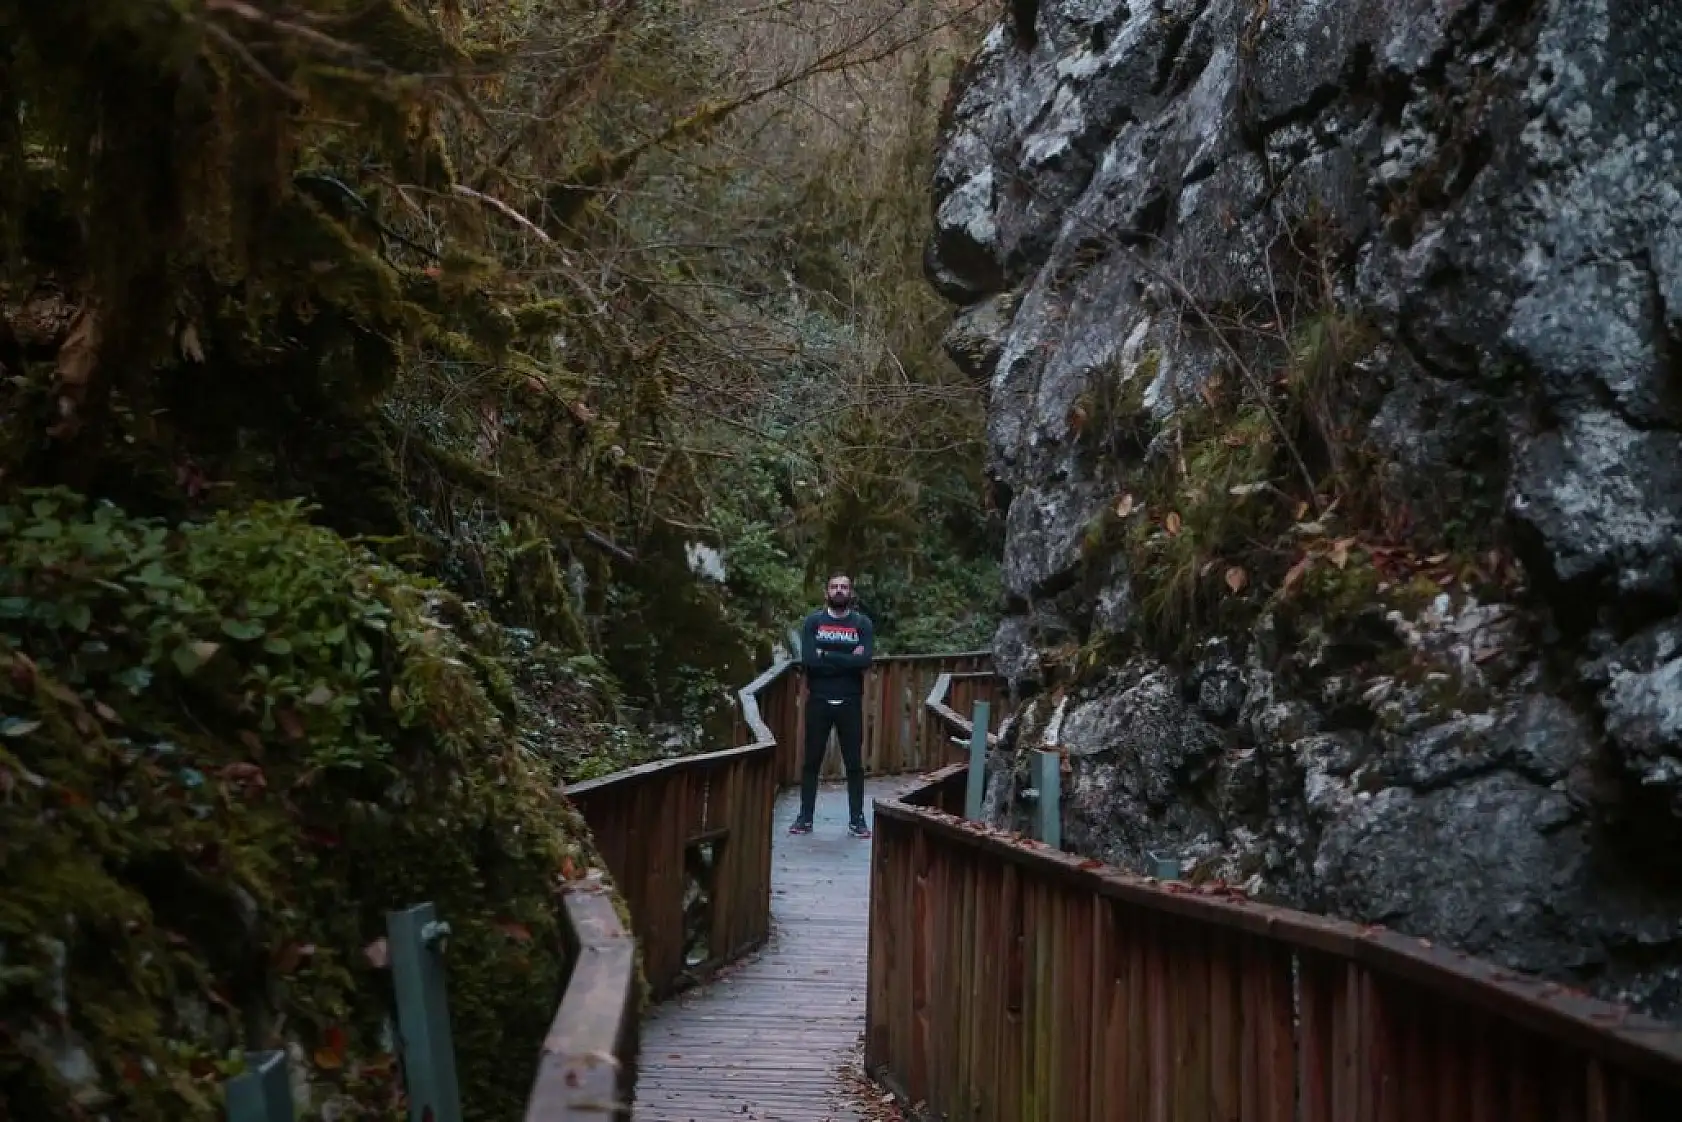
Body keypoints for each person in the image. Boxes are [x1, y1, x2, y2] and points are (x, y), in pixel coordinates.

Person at [789, 571, 875, 838]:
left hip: (850, 700)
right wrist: (846, 657)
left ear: (851, 593)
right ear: (826, 592)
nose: (839, 590)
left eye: (844, 587)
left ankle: (857, 819)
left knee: (854, 763)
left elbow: (864, 661)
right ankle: (805, 817)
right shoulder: (814, 622)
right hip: (819, 699)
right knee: (811, 760)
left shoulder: (862, 624)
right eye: (834, 587)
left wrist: (827, 654)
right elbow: (810, 661)